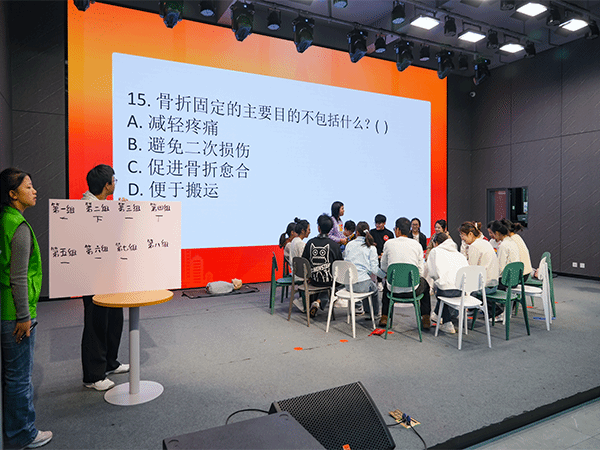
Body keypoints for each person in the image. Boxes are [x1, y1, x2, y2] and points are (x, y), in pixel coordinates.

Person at [0, 168, 53, 448]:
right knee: (19, 378)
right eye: (28, 187)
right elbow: (18, 277)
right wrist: (24, 316)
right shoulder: (18, 227)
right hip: (15, 313)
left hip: (7, 309)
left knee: (12, 376)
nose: (34, 191)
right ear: (13, 194)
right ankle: (23, 433)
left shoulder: (5, 220)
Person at [81, 165, 129, 391]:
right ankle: (93, 376)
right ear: (107, 185)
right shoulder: (86, 208)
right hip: (94, 276)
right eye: (113, 180)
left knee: (113, 320)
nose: (115, 183)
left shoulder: (103, 206)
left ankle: (110, 362)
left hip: (108, 274)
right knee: (96, 324)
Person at [380, 217, 431, 329]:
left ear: (397, 230)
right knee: (425, 285)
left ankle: (385, 316)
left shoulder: (389, 243)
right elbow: (420, 271)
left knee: (386, 284)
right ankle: (425, 318)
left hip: (393, 290)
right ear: (409, 230)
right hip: (413, 290)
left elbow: (383, 267)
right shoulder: (417, 245)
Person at [302, 214, 343, 317]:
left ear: (318, 228)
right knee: (334, 285)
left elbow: (304, 261)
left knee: (325, 285)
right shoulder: (335, 245)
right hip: (329, 281)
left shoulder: (310, 243)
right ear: (330, 229)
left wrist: (309, 276)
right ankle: (319, 301)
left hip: (313, 280)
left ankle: (317, 301)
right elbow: (340, 265)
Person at [426, 233, 468, 334]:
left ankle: (447, 323)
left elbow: (432, 274)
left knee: (441, 287)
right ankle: (436, 314)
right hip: (461, 290)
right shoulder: (459, 254)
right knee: (444, 287)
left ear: (436, 243)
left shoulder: (435, 251)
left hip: (445, 291)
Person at [342, 221, 386, 318]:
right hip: (363, 285)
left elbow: (345, 260)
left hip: (348, 285)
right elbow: (374, 269)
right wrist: (384, 275)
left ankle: (363, 310)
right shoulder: (371, 247)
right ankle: (373, 314)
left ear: (357, 232)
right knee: (373, 289)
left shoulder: (349, 245)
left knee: (367, 283)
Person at [458, 221, 499, 296]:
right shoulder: (485, 242)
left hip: (484, 287)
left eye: (463, 235)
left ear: (470, 234)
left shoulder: (474, 246)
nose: (461, 237)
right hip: (494, 285)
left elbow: (471, 271)